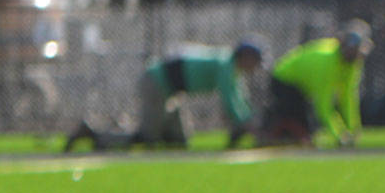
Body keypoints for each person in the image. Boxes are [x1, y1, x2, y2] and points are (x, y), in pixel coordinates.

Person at [63, 41, 264, 151]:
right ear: (245, 57)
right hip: (157, 84)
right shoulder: (226, 65)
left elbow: (239, 98)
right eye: (255, 61)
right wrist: (244, 123)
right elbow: (230, 100)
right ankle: (92, 133)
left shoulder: (231, 68)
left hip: (171, 93)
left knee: (179, 143)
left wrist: (247, 119)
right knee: (144, 139)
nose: (255, 67)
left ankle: (106, 135)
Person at [262, 20, 372, 147]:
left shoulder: (353, 64)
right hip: (285, 79)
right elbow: (324, 105)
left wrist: (353, 129)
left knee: (307, 124)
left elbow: (348, 98)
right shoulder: (328, 62)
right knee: (299, 118)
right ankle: (270, 135)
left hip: (302, 85)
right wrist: (339, 135)